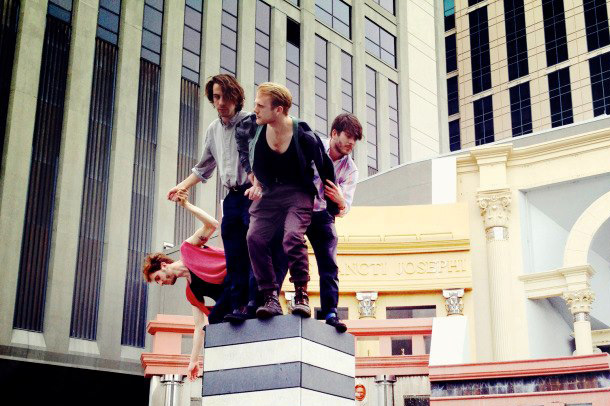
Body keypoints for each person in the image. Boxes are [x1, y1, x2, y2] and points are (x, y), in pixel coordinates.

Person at [236, 82, 338, 319]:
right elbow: (242, 145)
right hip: (269, 192)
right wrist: (253, 178)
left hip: (297, 192)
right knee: (254, 238)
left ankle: (301, 294)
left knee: (291, 237)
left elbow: (324, 166)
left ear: (279, 109)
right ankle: (270, 297)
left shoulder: (303, 135)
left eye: (260, 106)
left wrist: (332, 205)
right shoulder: (253, 126)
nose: (255, 109)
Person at [167, 74, 256, 323]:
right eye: (216, 97)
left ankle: (255, 301)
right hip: (232, 198)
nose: (221, 103)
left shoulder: (251, 122)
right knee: (234, 254)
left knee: (254, 249)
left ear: (236, 98)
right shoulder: (213, 129)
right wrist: (181, 186)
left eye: (226, 97)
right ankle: (238, 305)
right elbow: (204, 167)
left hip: (253, 193)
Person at [141, 190, 225, 381]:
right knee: (216, 318)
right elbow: (199, 326)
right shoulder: (192, 293)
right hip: (236, 299)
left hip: (240, 273)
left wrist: (186, 205)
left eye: (158, 278)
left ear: (164, 265)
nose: (160, 283)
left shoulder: (188, 248)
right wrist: (193, 361)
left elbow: (212, 224)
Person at [307, 113, 362, 332]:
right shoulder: (313, 146)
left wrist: (340, 200)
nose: (351, 142)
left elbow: (344, 208)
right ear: (334, 133)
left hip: (323, 215)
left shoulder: (351, 169)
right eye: (348, 136)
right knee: (283, 251)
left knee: (329, 264)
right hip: (299, 208)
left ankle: (330, 311)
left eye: (355, 139)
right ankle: (271, 301)